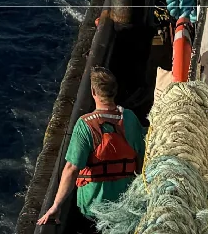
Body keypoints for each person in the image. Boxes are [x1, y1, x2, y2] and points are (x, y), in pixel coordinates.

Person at [37, 67, 144, 227]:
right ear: (115, 91)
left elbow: (71, 169)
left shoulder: (85, 124)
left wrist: (56, 205)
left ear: (93, 92)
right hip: (126, 202)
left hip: (94, 207)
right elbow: (141, 155)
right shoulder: (129, 117)